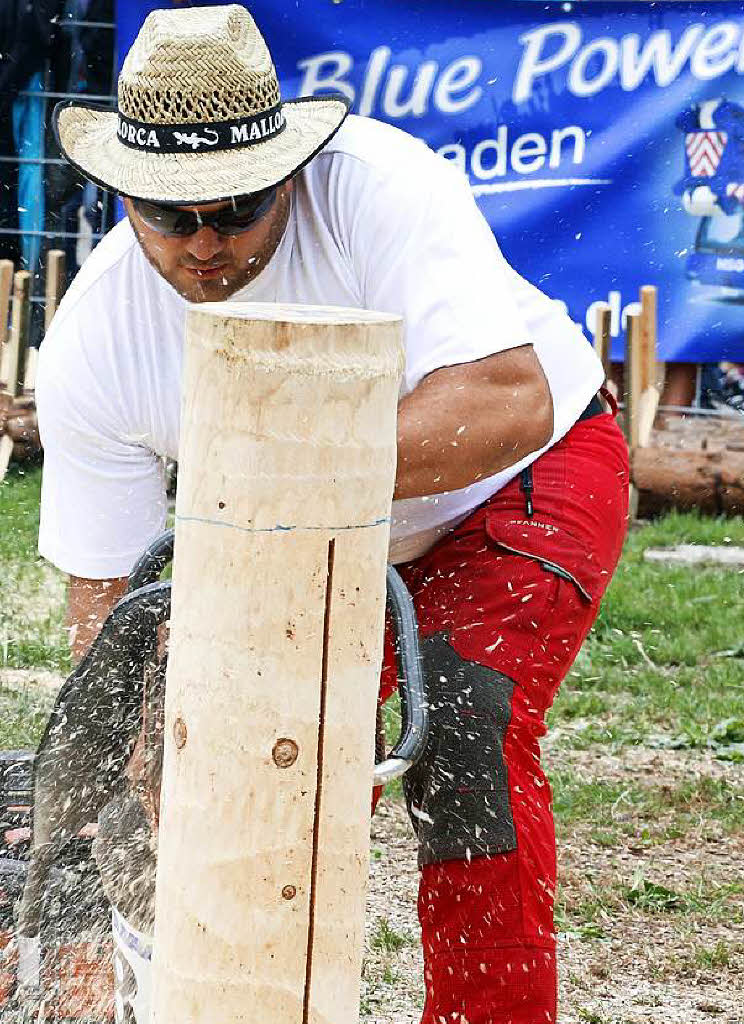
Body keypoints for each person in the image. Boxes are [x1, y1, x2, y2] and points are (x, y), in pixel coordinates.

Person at [36, 6, 629, 1022]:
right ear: (122, 196)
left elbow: (506, 396)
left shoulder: (384, 188)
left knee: (462, 730)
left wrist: (275, 479)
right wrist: (138, 775)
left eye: (240, 206)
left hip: (521, 473)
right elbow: (111, 613)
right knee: (249, 763)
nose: (209, 242)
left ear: (289, 169)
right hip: (313, 534)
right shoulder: (94, 345)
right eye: (175, 217)